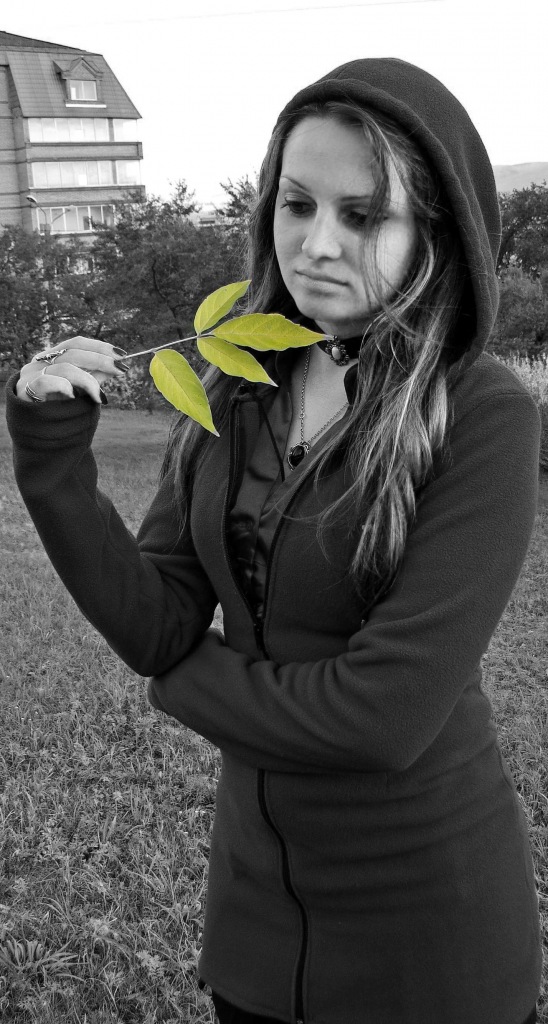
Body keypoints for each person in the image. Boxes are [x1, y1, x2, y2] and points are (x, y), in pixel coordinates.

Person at [6, 58, 542, 1024]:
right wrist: (51, 457)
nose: (316, 244)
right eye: (297, 204)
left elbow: (382, 718)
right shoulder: (236, 384)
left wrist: (181, 683)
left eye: (363, 216)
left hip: (428, 934)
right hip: (256, 921)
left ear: (436, 233)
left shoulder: (481, 413)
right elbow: (157, 618)